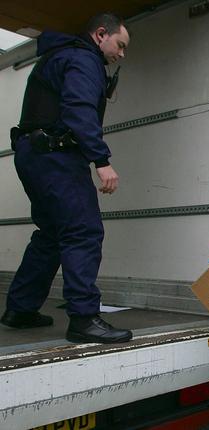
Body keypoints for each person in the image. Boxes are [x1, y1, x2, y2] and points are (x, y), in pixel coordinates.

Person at [1, 13, 132, 343]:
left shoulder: (59, 56)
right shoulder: (82, 58)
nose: (121, 54)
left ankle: (21, 308)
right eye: (120, 45)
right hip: (55, 155)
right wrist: (101, 160)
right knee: (82, 230)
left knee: (52, 234)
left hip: (34, 154)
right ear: (101, 34)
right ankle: (84, 319)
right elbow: (78, 109)